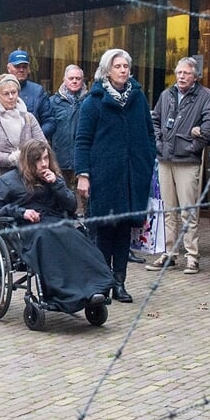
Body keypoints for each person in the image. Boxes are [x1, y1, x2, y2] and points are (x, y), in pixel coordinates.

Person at [0, 140, 113, 311]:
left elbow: (71, 206)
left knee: (78, 238)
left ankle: (94, 288)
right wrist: (21, 212)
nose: (44, 163)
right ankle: (64, 295)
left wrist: (57, 184)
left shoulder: (53, 177)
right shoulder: (9, 181)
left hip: (54, 222)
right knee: (46, 239)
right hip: (25, 228)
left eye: (46, 158)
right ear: (28, 161)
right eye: (38, 160)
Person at [75, 48, 156, 304]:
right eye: (118, 66)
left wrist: (146, 159)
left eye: (126, 66)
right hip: (104, 176)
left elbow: (149, 133)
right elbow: (82, 141)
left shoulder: (138, 98)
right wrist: (83, 175)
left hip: (133, 176)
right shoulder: (94, 101)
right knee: (103, 230)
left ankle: (120, 282)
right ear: (107, 70)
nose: (123, 70)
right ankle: (102, 283)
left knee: (123, 230)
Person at [146, 57, 210, 274]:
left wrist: (194, 145)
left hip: (188, 160)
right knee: (168, 211)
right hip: (165, 159)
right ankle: (168, 254)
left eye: (186, 73)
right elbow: (155, 120)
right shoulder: (166, 95)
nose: (181, 77)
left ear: (195, 76)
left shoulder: (205, 96)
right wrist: (159, 142)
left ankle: (192, 256)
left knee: (188, 210)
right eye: (179, 73)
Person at [0, 74, 47, 235]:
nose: (11, 97)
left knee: (22, 230)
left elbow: (43, 146)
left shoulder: (28, 118)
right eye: (6, 93)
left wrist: (27, 158)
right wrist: (10, 159)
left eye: (14, 92)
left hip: (21, 186)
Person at [0, 48, 50, 126]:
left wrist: (35, 135)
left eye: (24, 67)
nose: (21, 70)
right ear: (8, 68)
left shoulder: (38, 91)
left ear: (29, 69)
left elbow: (49, 121)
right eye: (17, 66)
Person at [44, 65, 88, 187]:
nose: (74, 81)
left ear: (82, 80)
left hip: (83, 161)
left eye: (78, 78)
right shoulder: (52, 102)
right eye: (71, 78)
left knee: (85, 199)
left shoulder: (89, 102)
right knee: (61, 198)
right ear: (64, 80)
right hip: (59, 160)